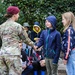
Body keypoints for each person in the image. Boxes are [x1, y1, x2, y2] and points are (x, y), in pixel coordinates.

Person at [0, 6, 34, 75]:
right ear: (14, 15)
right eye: (18, 14)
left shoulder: (1, 26)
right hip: (13, 54)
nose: (18, 15)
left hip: (2, 54)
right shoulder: (17, 26)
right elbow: (26, 39)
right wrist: (34, 45)